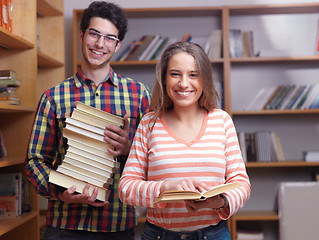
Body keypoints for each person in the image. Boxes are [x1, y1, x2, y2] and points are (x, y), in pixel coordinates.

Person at [25, 1, 151, 239]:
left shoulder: (139, 94)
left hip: (117, 224)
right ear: (82, 35)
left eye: (109, 38)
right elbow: (34, 160)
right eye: (94, 34)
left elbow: (155, 159)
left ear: (118, 45)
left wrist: (128, 148)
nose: (100, 44)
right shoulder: (53, 97)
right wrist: (58, 191)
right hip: (64, 226)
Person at [118, 41, 250, 240]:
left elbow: (241, 183)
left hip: (213, 234)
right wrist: (165, 188)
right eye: (175, 74)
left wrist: (219, 202)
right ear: (164, 79)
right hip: (159, 235)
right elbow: (126, 188)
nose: (184, 83)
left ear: (204, 79)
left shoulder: (221, 121)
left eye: (193, 74)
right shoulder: (149, 124)